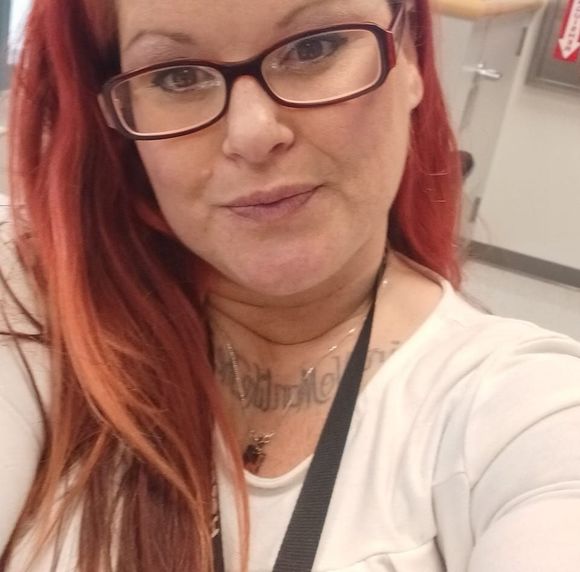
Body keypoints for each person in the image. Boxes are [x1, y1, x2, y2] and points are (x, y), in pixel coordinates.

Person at [1, 0, 580, 570]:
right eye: (177, 77)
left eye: (313, 47)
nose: (253, 134)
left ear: (408, 56)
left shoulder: (523, 414)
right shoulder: (29, 306)